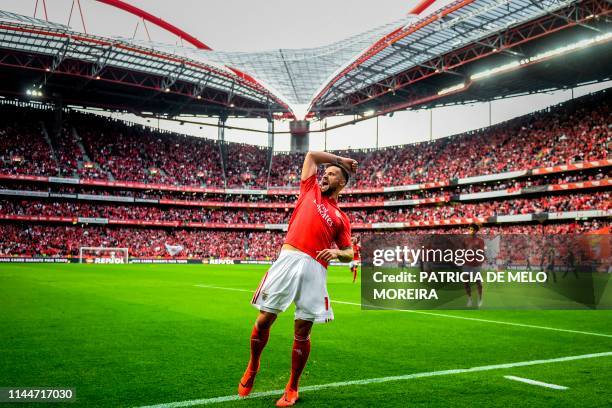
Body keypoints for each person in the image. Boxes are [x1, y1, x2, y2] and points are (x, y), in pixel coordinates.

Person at [238, 151, 357, 407]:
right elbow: (312, 156)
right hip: (288, 259)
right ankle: (253, 364)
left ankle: (292, 387)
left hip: (316, 269)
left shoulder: (341, 218)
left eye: (333, 174)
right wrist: (339, 161)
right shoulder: (309, 190)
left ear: (342, 184)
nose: (326, 174)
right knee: (264, 319)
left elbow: (349, 252)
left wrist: (337, 252)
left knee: (302, 330)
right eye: (326, 172)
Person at [463, 224, 484, 308]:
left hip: (476, 264)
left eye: (471, 229)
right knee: (465, 282)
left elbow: (481, 252)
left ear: (475, 230)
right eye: (469, 229)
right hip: (467, 263)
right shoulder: (465, 240)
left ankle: (480, 299)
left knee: (477, 282)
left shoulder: (480, 240)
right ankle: (469, 299)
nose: (470, 230)